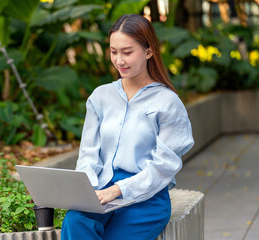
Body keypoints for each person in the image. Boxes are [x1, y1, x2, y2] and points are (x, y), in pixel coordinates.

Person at [61, 14, 194, 240]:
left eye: (127, 52)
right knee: (75, 221)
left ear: (149, 52)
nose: (119, 60)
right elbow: (88, 154)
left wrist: (120, 189)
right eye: (114, 52)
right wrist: (87, 191)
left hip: (146, 197)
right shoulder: (100, 97)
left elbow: (164, 166)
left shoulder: (167, 102)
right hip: (102, 190)